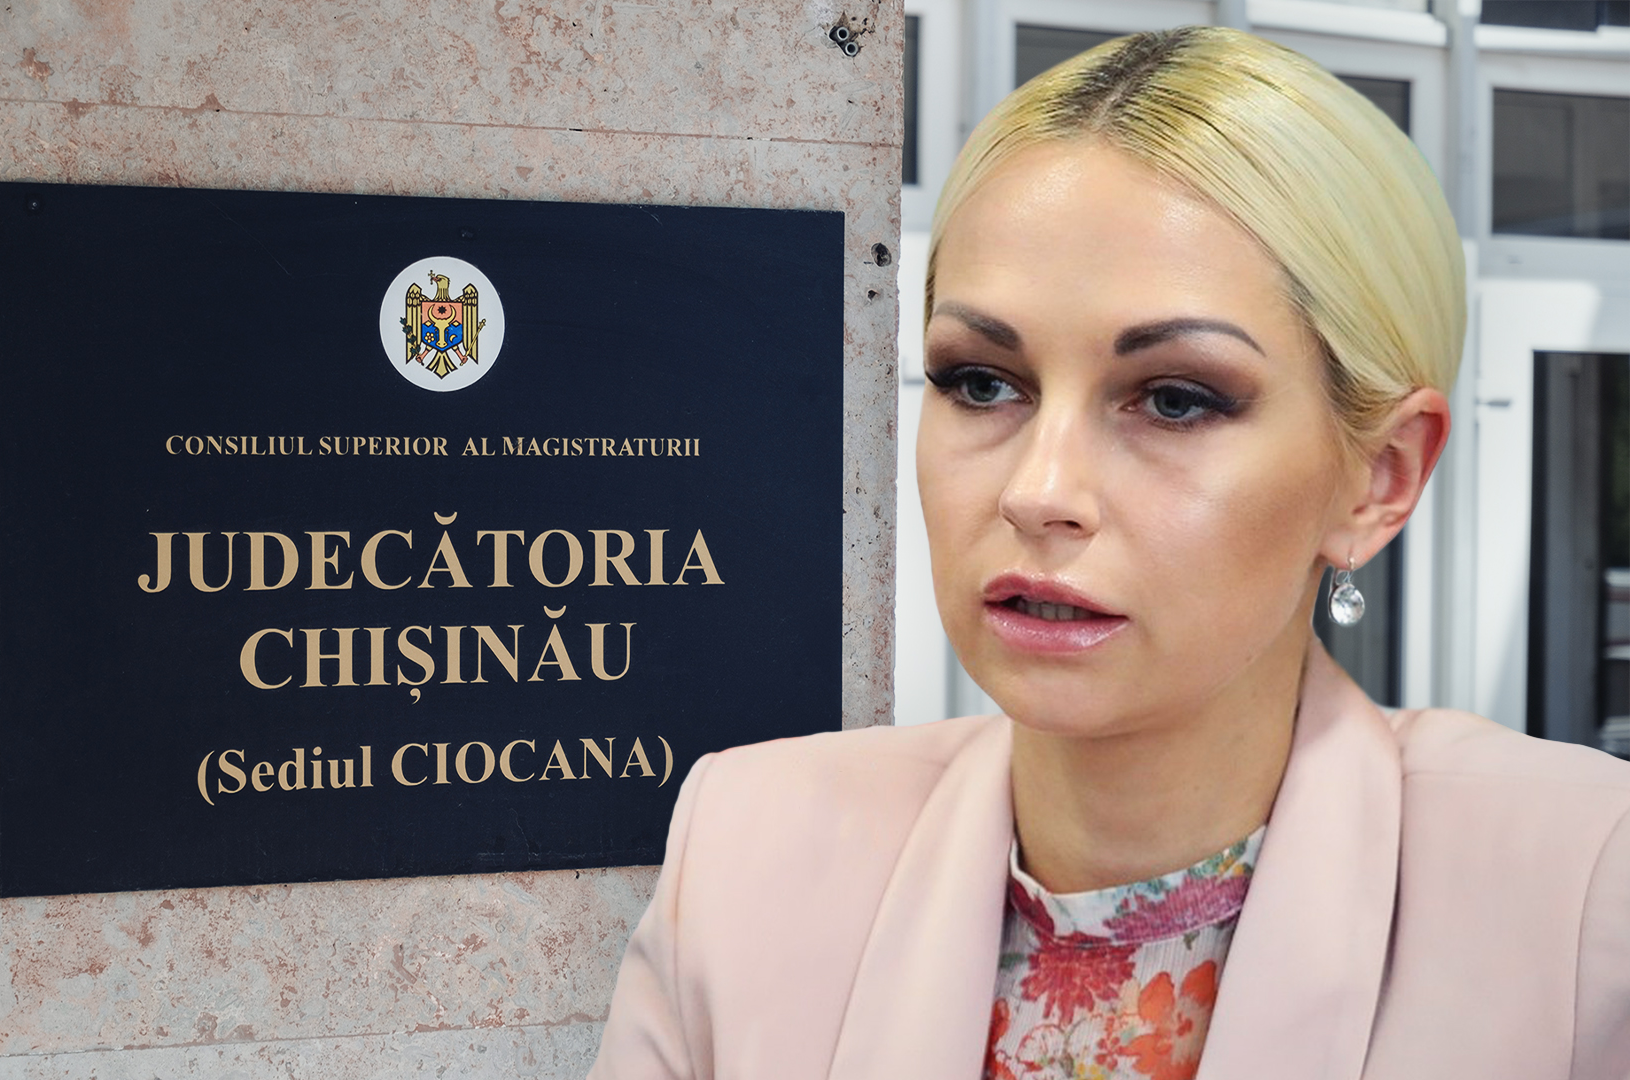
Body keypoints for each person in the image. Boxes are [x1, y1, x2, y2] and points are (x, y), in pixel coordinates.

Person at [587, 25, 1630, 1080]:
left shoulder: (1586, 894)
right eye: (982, 383)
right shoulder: (747, 852)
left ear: (1381, 477)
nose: (1039, 492)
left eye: (1174, 399)